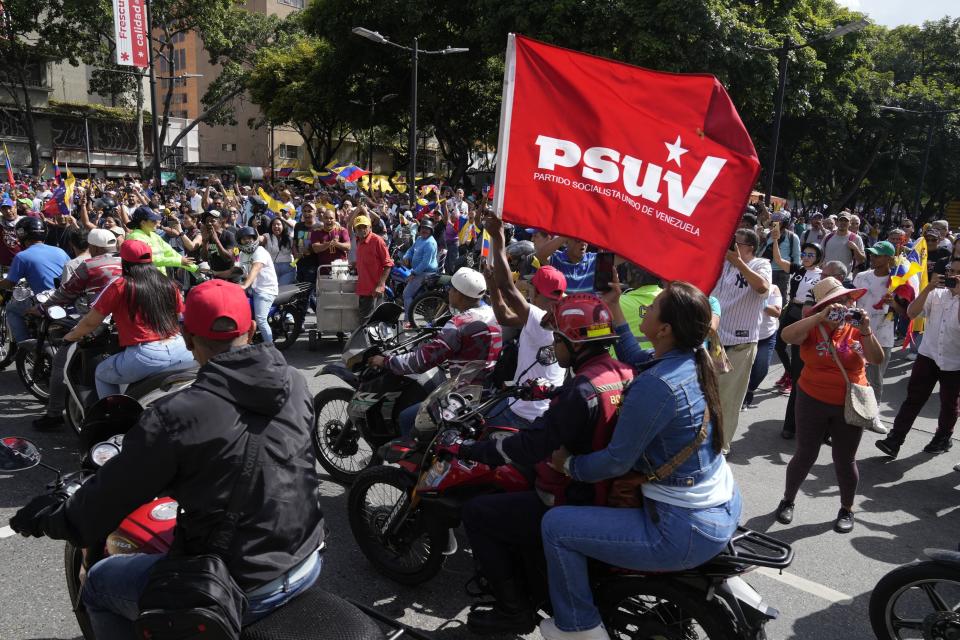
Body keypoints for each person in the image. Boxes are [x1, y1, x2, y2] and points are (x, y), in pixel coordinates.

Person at [8, 279, 324, 637]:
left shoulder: (174, 417)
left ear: (187, 338)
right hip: (307, 557)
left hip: (241, 584)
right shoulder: (296, 382)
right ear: (251, 330)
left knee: (97, 582)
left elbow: (104, 502)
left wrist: (49, 520)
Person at [536, 281, 741, 640]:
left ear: (664, 329)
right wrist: (614, 307)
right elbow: (634, 354)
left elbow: (616, 461)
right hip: (719, 506)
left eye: (655, 305)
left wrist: (569, 466)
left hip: (682, 529)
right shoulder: (691, 357)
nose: (646, 307)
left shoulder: (658, 384)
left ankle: (578, 627)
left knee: (555, 526)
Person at [445, 294, 633, 634]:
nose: (553, 343)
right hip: (601, 482)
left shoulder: (581, 391)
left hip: (575, 494)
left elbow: (532, 445)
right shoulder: (618, 370)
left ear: (571, 343)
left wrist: (471, 450)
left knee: (478, 513)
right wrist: (548, 393)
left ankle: (512, 610)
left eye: (557, 338)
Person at [776, 277, 883, 533]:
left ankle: (847, 508)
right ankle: (787, 500)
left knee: (845, 459)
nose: (842, 307)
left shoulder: (857, 325)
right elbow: (786, 336)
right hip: (812, 398)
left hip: (848, 402)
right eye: (834, 303)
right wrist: (818, 317)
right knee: (805, 454)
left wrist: (866, 330)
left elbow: (876, 359)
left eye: (845, 301)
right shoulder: (812, 326)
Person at [370, 267, 501, 437]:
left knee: (407, 418)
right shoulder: (494, 314)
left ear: (460, 294)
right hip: (489, 390)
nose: (448, 292)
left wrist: (386, 361)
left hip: (465, 396)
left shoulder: (458, 325)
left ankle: (413, 462)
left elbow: (421, 360)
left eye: (451, 289)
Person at [62, 240, 195, 398]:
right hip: (181, 349)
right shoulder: (168, 283)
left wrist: (70, 336)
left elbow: (91, 322)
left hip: (146, 355)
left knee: (101, 373)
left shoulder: (120, 285)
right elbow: (182, 316)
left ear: (123, 261)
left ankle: (114, 419)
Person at [481, 213, 567, 429]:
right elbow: (504, 316)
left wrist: (498, 238)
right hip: (541, 411)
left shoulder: (541, 318)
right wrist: (491, 284)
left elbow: (508, 287)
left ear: (535, 290)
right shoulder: (562, 316)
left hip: (522, 413)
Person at [33, 229, 122, 429]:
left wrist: (40, 308)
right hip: (129, 324)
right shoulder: (129, 262)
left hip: (99, 325)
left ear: (93, 247)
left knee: (59, 362)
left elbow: (64, 294)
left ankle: (54, 414)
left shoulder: (88, 265)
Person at [875, 257, 960, 458]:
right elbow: (911, 313)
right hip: (928, 354)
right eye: (951, 271)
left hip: (954, 360)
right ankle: (895, 439)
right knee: (914, 398)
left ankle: (943, 437)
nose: (953, 276)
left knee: (949, 403)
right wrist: (927, 289)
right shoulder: (936, 293)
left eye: (958, 272)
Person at [709, 228, 771, 452]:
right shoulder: (722, 264)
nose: (731, 245)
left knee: (728, 400)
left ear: (749, 247)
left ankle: (720, 448)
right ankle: (703, 442)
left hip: (740, 345)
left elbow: (763, 287)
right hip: (714, 342)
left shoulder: (760, 264)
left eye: (736, 242)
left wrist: (739, 263)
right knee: (707, 395)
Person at [853, 241, 909, 435]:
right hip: (856, 333)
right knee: (851, 374)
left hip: (882, 336)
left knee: (875, 379)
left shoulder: (897, 282)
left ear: (888, 258)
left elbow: (905, 313)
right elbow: (851, 301)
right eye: (872, 254)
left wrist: (893, 302)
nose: (873, 257)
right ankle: (848, 412)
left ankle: (872, 416)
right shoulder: (861, 277)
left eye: (877, 255)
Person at [0, 217, 70, 357]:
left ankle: (24, 347)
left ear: (21, 234)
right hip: (65, 299)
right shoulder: (59, 251)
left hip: (45, 301)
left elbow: (10, 283)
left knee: (11, 308)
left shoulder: (22, 256)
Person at [126, 205, 197, 276]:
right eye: (153, 220)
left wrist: (195, 268)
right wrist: (179, 261)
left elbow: (170, 252)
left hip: (159, 279)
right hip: (146, 282)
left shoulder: (154, 236)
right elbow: (149, 260)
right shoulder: (135, 238)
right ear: (143, 222)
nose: (156, 222)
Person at [237, 226, 279, 344]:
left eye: (250, 238)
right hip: (252, 289)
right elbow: (240, 271)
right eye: (244, 239)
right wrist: (215, 273)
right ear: (239, 241)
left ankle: (271, 349)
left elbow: (255, 269)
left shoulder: (260, 251)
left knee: (260, 320)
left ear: (254, 238)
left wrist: (244, 286)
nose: (247, 241)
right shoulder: (242, 255)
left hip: (265, 290)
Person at [743, 284, 782, 409]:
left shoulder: (774, 288)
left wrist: (760, 303)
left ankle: (749, 390)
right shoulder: (742, 285)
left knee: (761, 369)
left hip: (766, 336)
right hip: (744, 336)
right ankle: (742, 396)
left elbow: (777, 312)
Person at [353, 214, 393, 321]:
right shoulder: (358, 240)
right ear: (355, 230)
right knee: (366, 321)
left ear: (370, 227)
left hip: (374, 290)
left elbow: (388, 265)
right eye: (359, 227)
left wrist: (380, 285)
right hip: (363, 288)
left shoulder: (377, 241)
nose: (362, 229)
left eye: (364, 226)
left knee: (370, 322)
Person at [401, 218, 439, 314]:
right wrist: (406, 257)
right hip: (418, 270)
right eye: (422, 228)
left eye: (427, 228)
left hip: (426, 272)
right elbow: (411, 250)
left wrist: (413, 273)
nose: (424, 230)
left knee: (406, 294)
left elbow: (425, 263)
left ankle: (408, 320)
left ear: (431, 231)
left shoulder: (430, 243)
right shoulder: (419, 239)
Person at [264, 217, 295, 285]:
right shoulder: (267, 236)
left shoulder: (290, 238)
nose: (276, 226)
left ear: (283, 226)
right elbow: (258, 239)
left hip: (287, 269)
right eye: (274, 225)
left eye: (278, 224)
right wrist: (255, 227)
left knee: (282, 291)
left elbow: (295, 253)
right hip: (271, 269)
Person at [0, 196, 23, 267]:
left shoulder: (25, 222)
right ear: (1, 211)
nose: (8, 211)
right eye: (4, 209)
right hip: (5, 264)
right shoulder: (0, 224)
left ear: (15, 207)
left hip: (23, 263)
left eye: (10, 208)